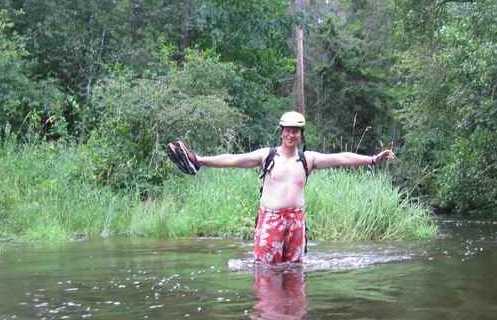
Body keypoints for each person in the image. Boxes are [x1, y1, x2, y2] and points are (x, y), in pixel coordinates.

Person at [167, 111, 395, 263]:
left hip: (296, 223)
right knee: (265, 272)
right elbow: (233, 159)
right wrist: (200, 159)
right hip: (270, 221)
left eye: (296, 131)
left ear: (301, 134)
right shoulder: (267, 155)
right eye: (287, 130)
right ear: (281, 132)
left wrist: (373, 159)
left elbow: (342, 158)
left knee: (295, 272)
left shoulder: (309, 159)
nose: (291, 134)